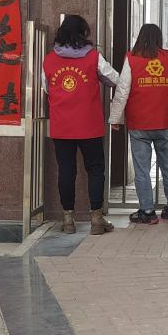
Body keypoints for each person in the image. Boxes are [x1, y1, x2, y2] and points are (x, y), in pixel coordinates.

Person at [43, 14, 119, 235]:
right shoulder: (94, 57)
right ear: (84, 34)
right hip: (89, 125)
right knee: (95, 169)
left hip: (61, 126)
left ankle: (68, 220)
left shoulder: (49, 60)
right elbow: (115, 79)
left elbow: (46, 88)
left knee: (66, 171)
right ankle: (96, 219)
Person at [111, 23, 168, 225]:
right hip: (165, 122)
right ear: (159, 38)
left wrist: (115, 118)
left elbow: (122, 90)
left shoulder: (132, 58)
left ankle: (148, 212)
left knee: (142, 170)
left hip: (139, 124)